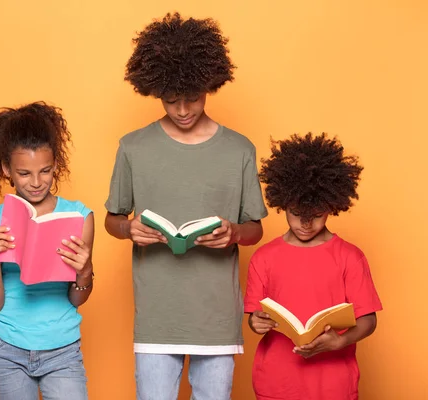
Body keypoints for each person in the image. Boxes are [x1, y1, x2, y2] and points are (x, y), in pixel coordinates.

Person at [104, 12, 268, 400]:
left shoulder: (239, 150)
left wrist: (232, 233)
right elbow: (112, 219)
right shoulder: (133, 147)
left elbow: (255, 229)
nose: (181, 110)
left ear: (209, 84)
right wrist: (129, 229)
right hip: (157, 318)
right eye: (171, 99)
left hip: (215, 319)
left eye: (191, 97)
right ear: (154, 90)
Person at [0, 101, 94, 400]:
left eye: (46, 171)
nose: (37, 183)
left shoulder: (78, 217)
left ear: (56, 165)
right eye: (24, 173)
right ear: (6, 169)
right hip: (8, 350)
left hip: (63, 348)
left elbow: (78, 297)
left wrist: (85, 270)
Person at [245, 132, 383, 400]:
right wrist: (255, 322)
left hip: (333, 385)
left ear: (331, 206)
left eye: (316, 216)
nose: (305, 224)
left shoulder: (349, 256)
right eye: (296, 214)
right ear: (282, 203)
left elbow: (369, 319)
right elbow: (254, 317)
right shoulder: (263, 257)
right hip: (276, 382)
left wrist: (341, 341)